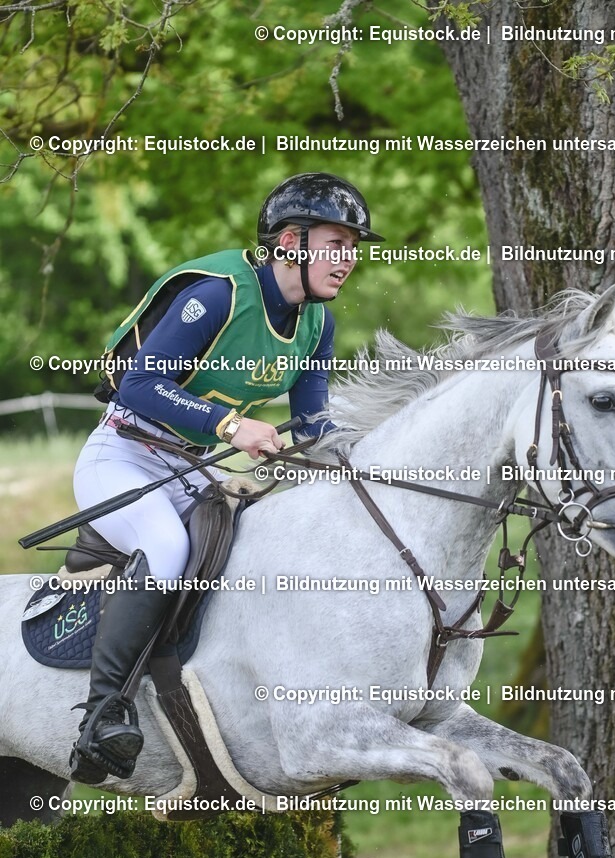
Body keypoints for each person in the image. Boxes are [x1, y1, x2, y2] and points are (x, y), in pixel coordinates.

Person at [69, 171, 383, 785]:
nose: (349, 260)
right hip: (124, 454)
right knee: (166, 547)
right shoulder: (218, 294)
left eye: (354, 247)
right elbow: (139, 383)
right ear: (290, 241)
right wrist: (232, 427)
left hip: (191, 469)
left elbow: (312, 423)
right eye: (337, 243)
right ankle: (102, 716)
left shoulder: (317, 325)